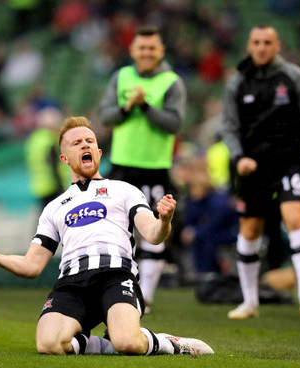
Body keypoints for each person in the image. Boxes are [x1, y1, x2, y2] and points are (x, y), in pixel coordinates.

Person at [0, 117, 213, 356]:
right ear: (64, 158)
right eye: (76, 143)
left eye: (89, 141)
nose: (85, 145)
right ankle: (105, 345)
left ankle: (167, 343)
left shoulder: (124, 190)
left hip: (115, 276)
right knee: (49, 344)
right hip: (72, 283)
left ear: (98, 153)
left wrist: (165, 220)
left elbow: (152, 234)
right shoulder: (54, 208)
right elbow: (31, 266)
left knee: (128, 343)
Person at [221, 25, 300, 319]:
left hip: (289, 162)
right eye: (256, 42)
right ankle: (250, 302)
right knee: (250, 230)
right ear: (249, 46)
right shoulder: (238, 83)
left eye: (268, 42)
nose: (262, 47)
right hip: (252, 166)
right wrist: (239, 157)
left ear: (278, 45)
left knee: (294, 217)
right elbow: (229, 126)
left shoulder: (296, 78)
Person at [98, 25, 187, 313]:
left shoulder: (172, 82)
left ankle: (145, 296)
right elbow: (106, 116)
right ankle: (119, 289)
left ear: (161, 51)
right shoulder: (121, 77)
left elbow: (174, 123)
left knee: (155, 229)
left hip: (155, 168)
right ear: (133, 50)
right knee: (117, 230)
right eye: (142, 47)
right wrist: (127, 106)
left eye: (152, 48)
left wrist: (145, 105)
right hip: (122, 168)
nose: (147, 53)